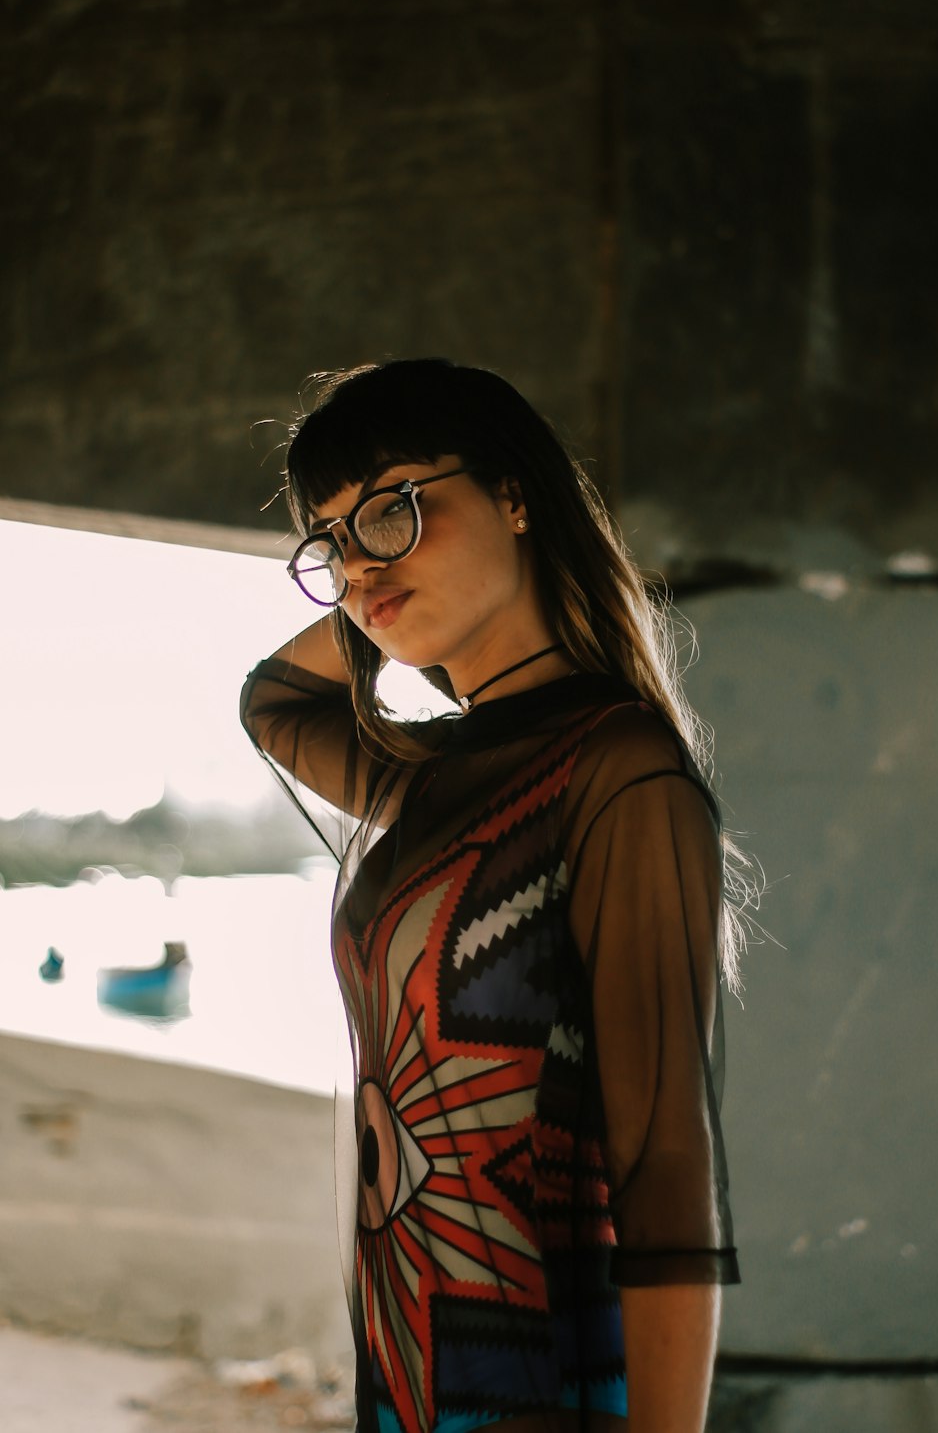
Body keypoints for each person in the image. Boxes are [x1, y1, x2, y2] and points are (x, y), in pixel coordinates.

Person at [240, 359, 747, 1433]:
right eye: (328, 545)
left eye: (393, 510)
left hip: (538, 1382)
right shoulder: (433, 776)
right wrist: (374, 573)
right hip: (408, 1370)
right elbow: (275, 701)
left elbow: (665, 1171)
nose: (357, 570)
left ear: (514, 494)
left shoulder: (617, 767)